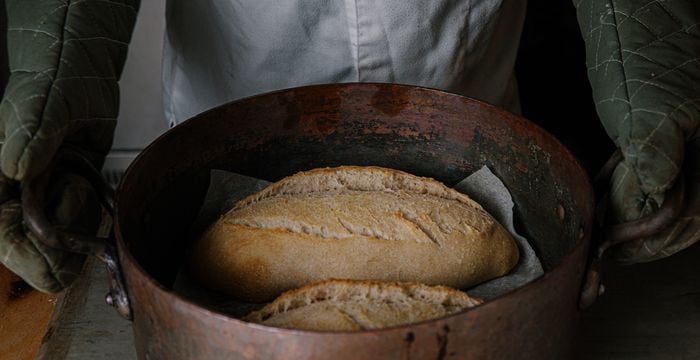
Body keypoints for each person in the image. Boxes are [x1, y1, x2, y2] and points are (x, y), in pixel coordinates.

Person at [0, 0, 698, 293]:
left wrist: (653, 70)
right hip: (233, 116)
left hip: (471, 122)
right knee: (213, 260)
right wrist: (55, 82)